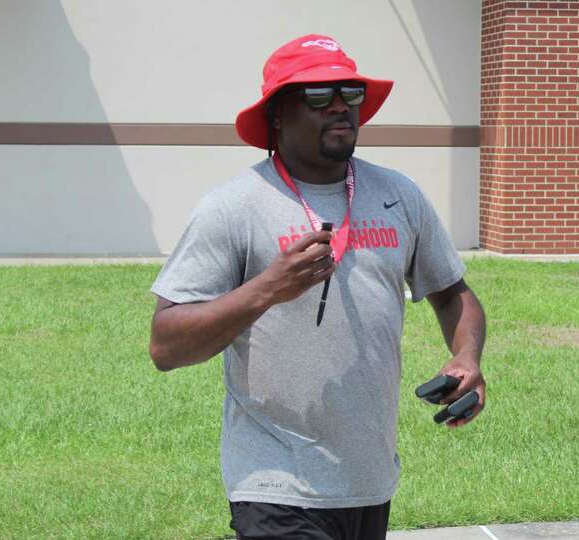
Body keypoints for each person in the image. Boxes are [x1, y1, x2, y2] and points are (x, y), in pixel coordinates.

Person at [148, 34, 487, 540]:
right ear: (277, 114)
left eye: (349, 94)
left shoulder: (398, 195)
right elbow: (165, 344)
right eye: (316, 95)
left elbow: (452, 293)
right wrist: (267, 289)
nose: (338, 108)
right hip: (274, 482)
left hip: (368, 479)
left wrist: (467, 358)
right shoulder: (234, 206)